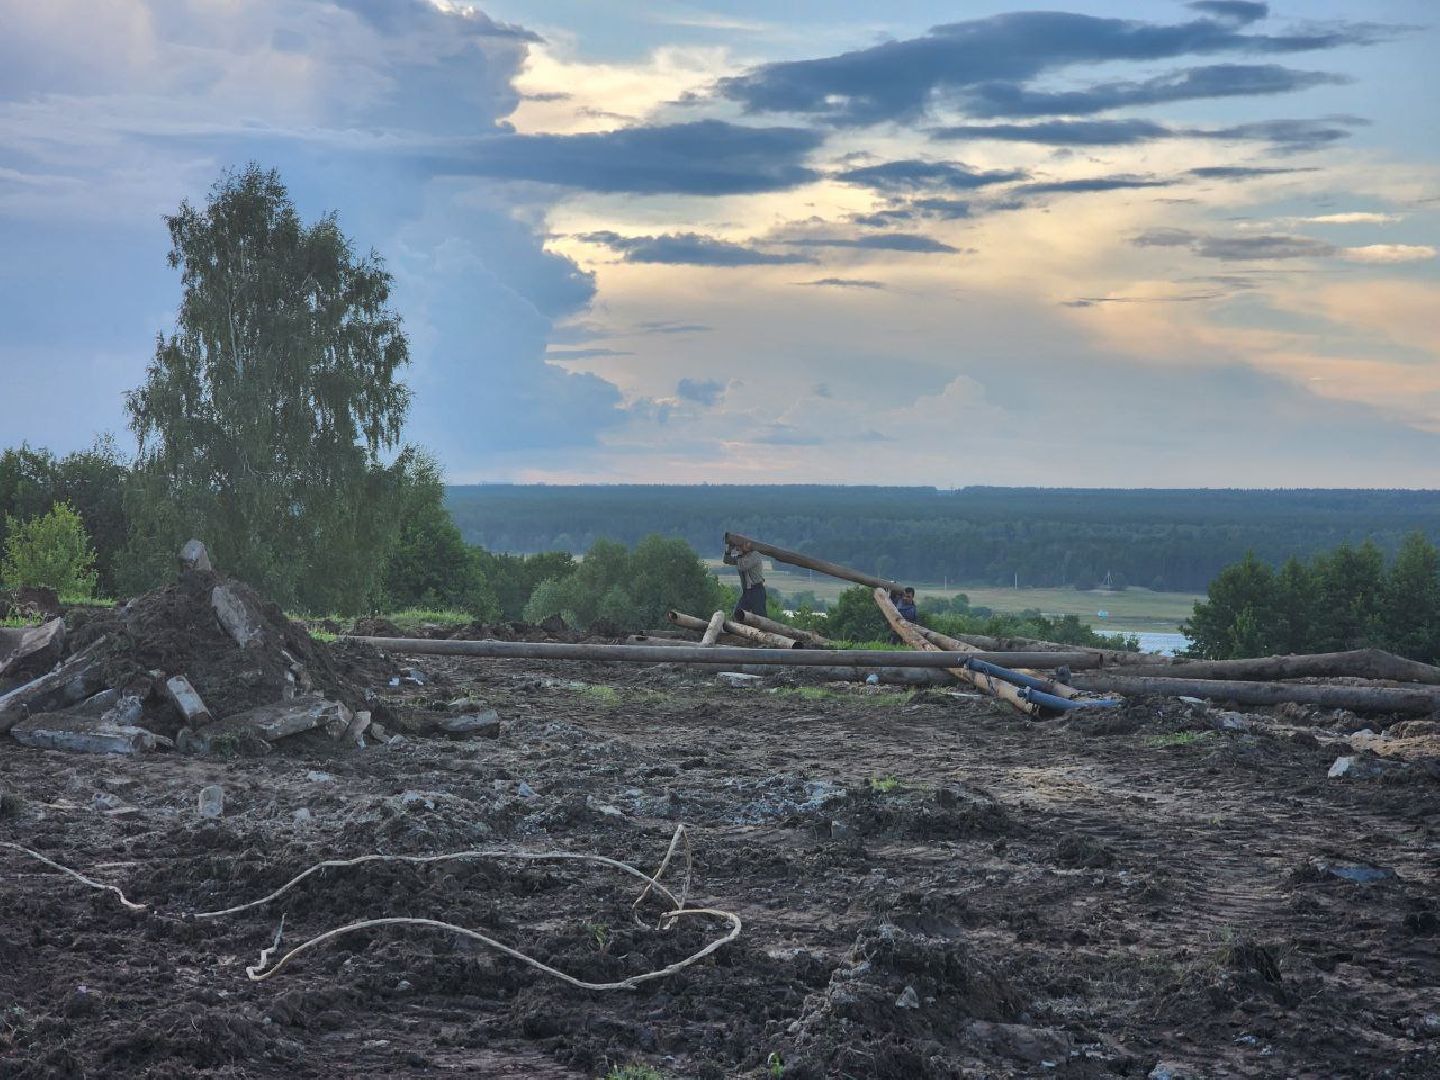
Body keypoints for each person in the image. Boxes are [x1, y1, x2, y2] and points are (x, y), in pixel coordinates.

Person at [723, 538, 767, 620]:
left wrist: (739, 553)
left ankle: (767, 632)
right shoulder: (741, 557)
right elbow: (726, 560)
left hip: (757, 590)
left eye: (740, 545)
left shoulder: (755, 555)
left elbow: (743, 566)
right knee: (738, 613)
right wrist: (728, 550)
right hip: (747, 592)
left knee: (760, 617)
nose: (739, 547)